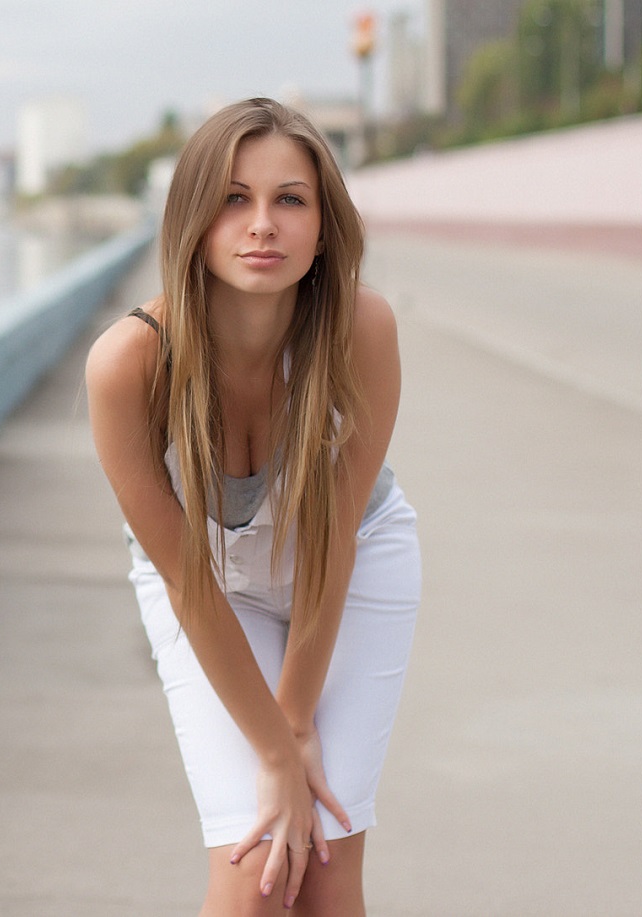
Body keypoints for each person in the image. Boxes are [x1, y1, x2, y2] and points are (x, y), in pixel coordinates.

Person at [85, 98, 420, 916]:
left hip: (352, 559)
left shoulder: (361, 327)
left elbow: (336, 532)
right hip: (208, 589)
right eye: (234, 198)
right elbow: (189, 584)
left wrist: (297, 718)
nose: (261, 224)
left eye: (290, 199)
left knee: (329, 868)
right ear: (193, 218)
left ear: (323, 223)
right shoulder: (131, 364)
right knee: (257, 874)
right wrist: (275, 750)